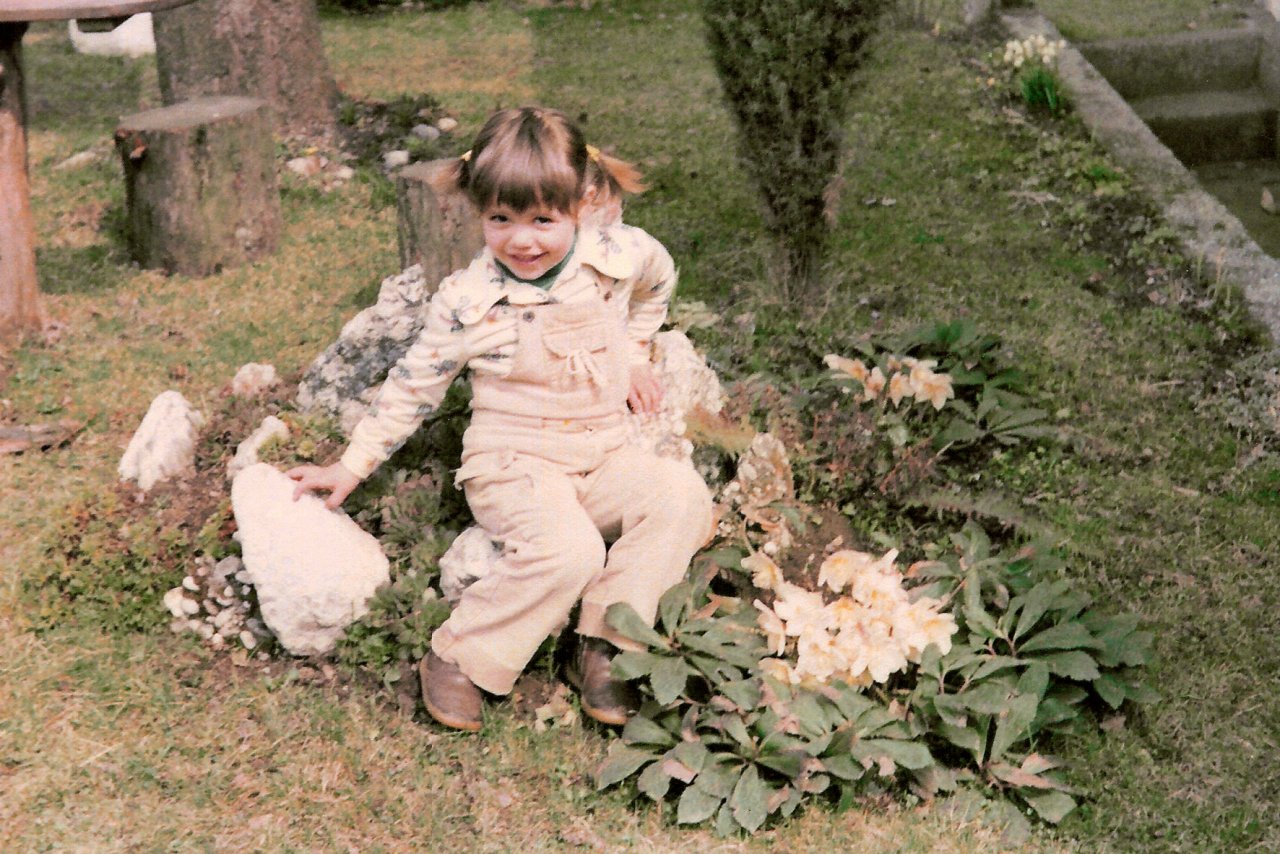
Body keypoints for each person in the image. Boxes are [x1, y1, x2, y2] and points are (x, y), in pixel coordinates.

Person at [288, 106, 713, 731]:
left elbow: (660, 280)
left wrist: (633, 349)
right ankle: (462, 657)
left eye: (544, 219)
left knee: (682, 497)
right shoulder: (469, 301)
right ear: (477, 211)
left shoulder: (615, 255)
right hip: (516, 463)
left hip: (605, 453)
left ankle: (604, 641)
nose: (523, 240)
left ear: (583, 202)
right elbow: (412, 387)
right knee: (568, 548)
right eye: (501, 220)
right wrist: (351, 466)